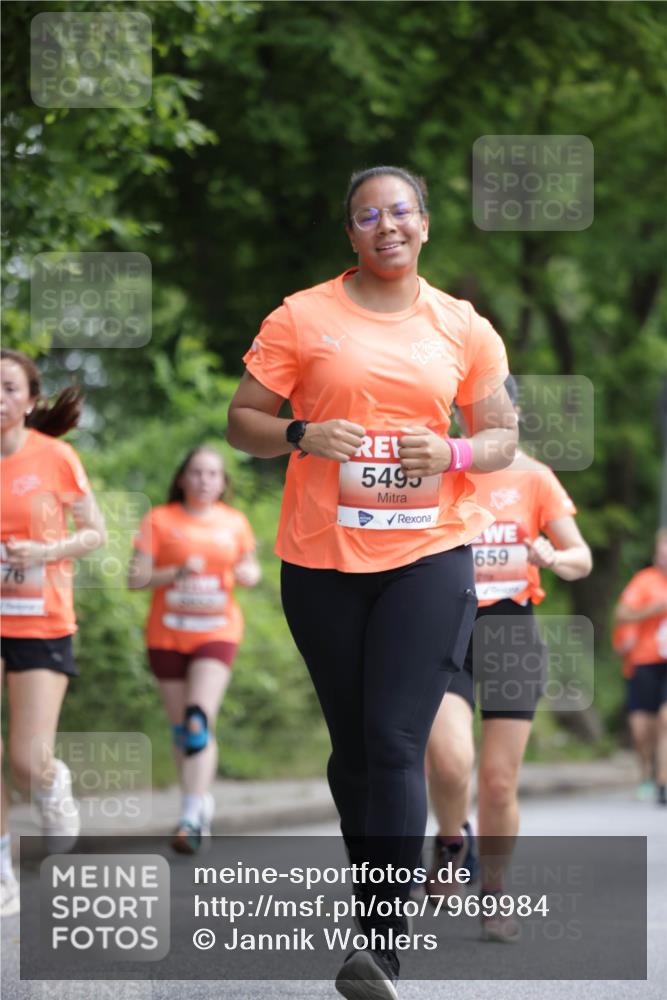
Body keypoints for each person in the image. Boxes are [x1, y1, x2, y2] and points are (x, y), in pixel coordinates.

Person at [227, 165, 517, 999]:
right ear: (349, 234)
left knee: (395, 742)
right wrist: (300, 432)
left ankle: (379, 946)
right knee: (353, 753)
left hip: (429, 554)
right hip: (320, 561)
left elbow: (499, 435)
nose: (384, 225)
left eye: (399, 211)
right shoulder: (301, 315)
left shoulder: (463, 326)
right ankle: (374, 909)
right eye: (366, 215)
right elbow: (242, 421)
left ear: (423, 224)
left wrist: (454, 452)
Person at [425, 375, 592, 942]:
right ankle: (451, 842)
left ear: (515, 412)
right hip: (446, 625)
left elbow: (581, 558)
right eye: (468, 408)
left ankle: (494, 892)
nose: (480, 415)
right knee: (449, 761)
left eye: (494, 406)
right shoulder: (443, 469)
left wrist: (553, 554)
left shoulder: (534, 476)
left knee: (498, 782)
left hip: (510, 633)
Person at [1, 348, 106, 917]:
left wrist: (45, 551)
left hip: (41, 618)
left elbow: (94, 533)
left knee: (24, 758)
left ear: (30, 399)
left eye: (9, 387)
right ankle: (1, 870)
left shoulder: (55, 457)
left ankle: (49, 781)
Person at [128, 445, 260, 853]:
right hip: (167, 634)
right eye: (197, 473)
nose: (204, 480)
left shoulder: (234, 522)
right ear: (183, 478)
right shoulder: (159, 519)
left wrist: (247, 573)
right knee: (182, 730)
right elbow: (135, 578)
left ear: (223, 482)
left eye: (213, 474)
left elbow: (252, 569)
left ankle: (188, 817)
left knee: (198, 718)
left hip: (217, 633)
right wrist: (176, 572)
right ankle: (200, 799)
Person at [614, 528, 667, 806]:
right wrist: (654, 609)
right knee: (641, 727)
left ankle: (662, 781)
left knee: (666, 719)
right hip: (644, 660)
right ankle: (646, 772)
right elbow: (622, 614)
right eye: (662, 552)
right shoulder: (644, 581)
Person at [612, 621, 656, 799]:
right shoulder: (630, 621)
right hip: (636, 677)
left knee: (661, 728)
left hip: (660, 676)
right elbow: (618, 649)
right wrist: (626, 646)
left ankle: (660, 777)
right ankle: (646, 775)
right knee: (640, 732)